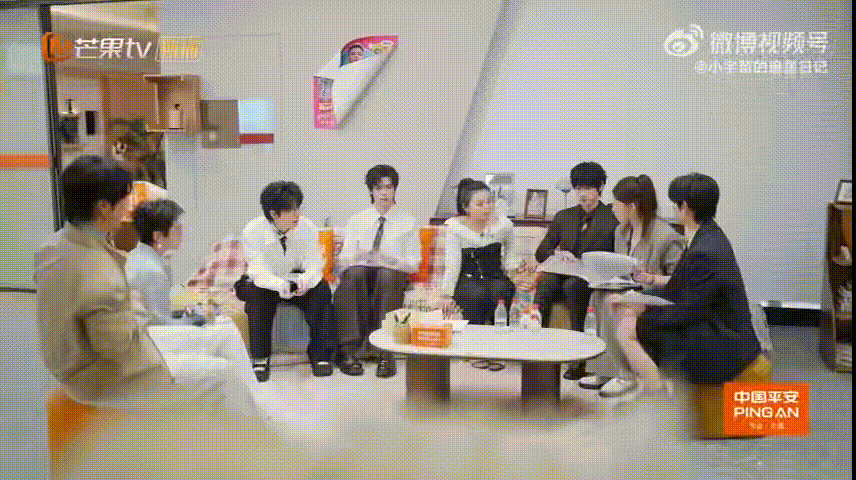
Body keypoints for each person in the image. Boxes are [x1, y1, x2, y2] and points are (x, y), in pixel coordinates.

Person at [34, 155, 260, 416]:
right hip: (106, 377)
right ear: (104, 207)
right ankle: (254, 433)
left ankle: (257, 410)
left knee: (222, 335)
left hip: (80, 361)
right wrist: (136, 308)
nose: (127, 210)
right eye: (124, 201)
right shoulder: (100, 274)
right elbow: (121, 350)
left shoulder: (54, 247)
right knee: (220, 373)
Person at [608, 173, 762, 395]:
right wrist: (638, 302)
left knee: (627, 329)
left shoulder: (703, 251)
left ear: (686, 207)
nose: (674, 209)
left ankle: (658, 393)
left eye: (676, 204)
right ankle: (653, 386)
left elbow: (686, 310)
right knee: (631, 316)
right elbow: (680, 290)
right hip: (714, 325)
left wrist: (642, 310)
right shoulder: (708, 235)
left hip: (723, 341)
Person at [582, 175, 685, 398]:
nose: (612, 209)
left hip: (655, 294)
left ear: (632, 206)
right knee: (599, 294)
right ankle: (603, 371)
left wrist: (650, 278)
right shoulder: (621, 232)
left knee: (615, 301)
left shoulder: (666, 237)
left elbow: (680, 280)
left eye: (616, 204)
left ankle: (625, 375)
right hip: (630, 289)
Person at [235, 181, 336, 381]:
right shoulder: (253, 231)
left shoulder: (307, 227)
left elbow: (315, 262)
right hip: (266, 283)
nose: (297, 215)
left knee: (322, 291)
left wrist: (306, 281)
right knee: (256, 295)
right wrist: (279, 285)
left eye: (299, 208)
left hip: (296, 279)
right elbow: (258, 270)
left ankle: (320, 354)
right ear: (274, 214)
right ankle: (260, 357)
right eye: (291, 210)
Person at [533, 161, 618, 380]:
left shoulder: (612, 218)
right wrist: (557, 253)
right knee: (546, 283)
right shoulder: (564, 216)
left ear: (600, 188)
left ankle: (579, 358)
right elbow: (541, 252)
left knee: (573, 286)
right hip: (563, 272)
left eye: (587, 188)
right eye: (578, 188)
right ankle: (536, 347)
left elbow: (616, 256)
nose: (582, 194)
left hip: (592, 277)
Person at [334, 165, 420, 377]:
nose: (384, 193)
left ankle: (385, 352)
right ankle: (349, 350)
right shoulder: (357, 220)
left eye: (388, 187)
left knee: (387, 274)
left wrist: (389, 259)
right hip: (362, 272)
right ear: (371, 190)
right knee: (353, 274)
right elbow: (342, 262)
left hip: (392, 274)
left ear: (395, 189)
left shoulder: (408, 221)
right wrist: (359, 256)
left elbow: (414, 264)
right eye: (378, 188)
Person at [439, 179, 517, 327]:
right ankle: (473, 335)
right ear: (466, 208)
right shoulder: (456, 229)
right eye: (480, 204)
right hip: (468, 280)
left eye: (489, 202)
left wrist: (518, 275)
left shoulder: (504, 226)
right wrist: (446, 294)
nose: (487, 207)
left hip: (495, 277)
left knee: (500, 290)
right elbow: (452, 264)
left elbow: (510, 258)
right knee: (476, 294)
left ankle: (500, 335)